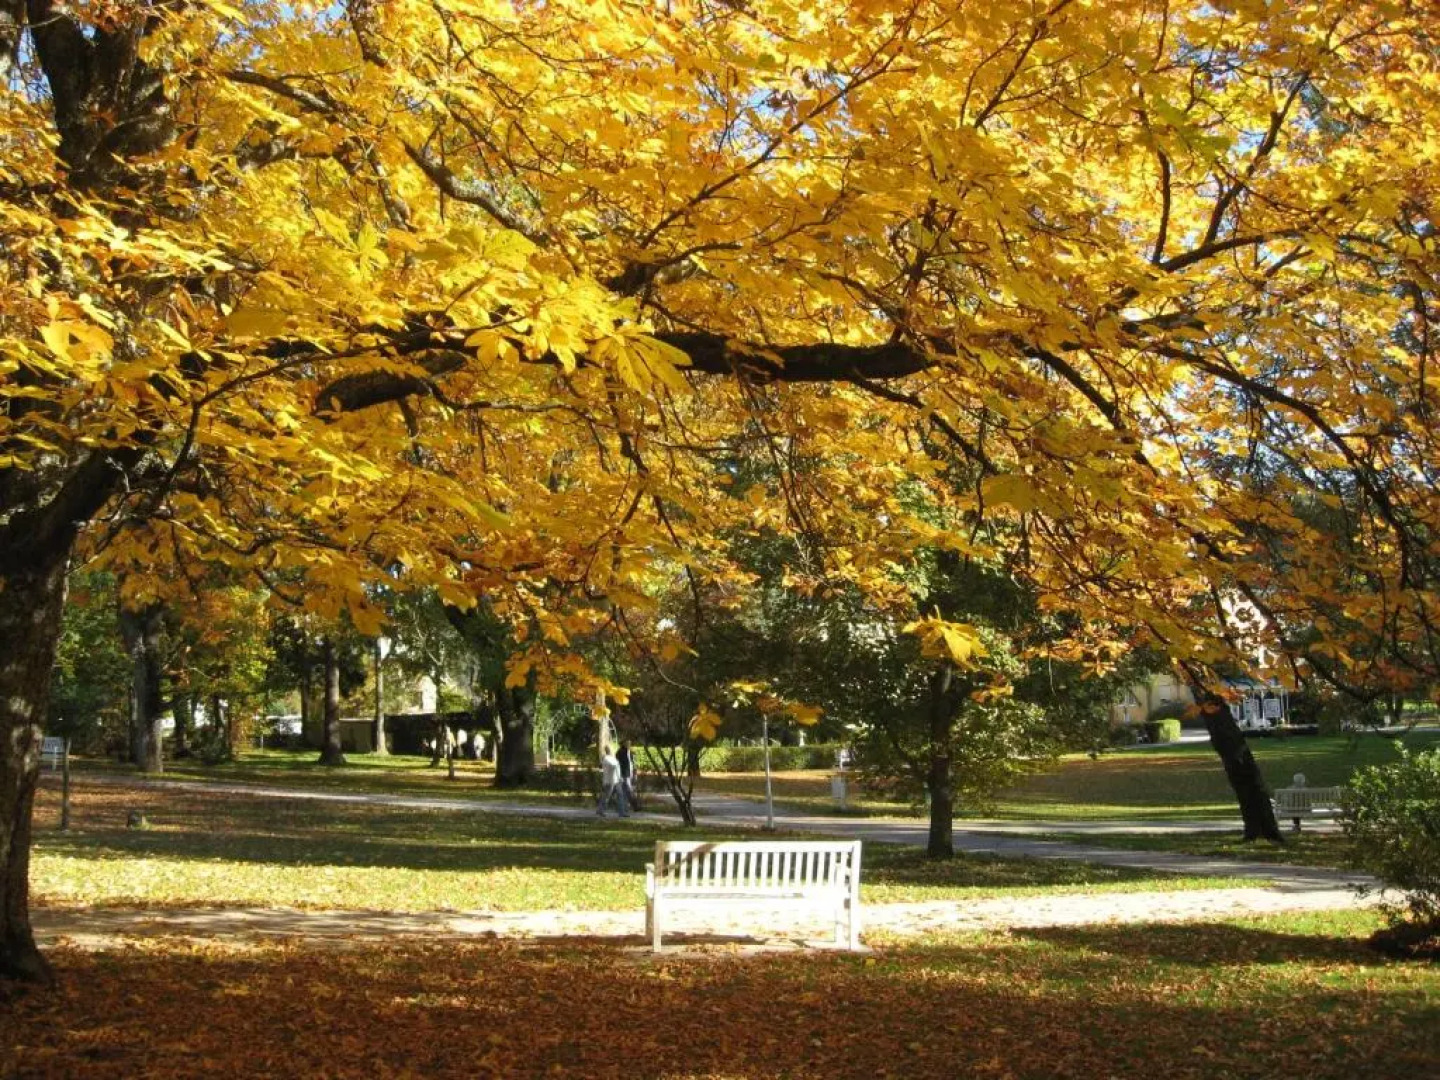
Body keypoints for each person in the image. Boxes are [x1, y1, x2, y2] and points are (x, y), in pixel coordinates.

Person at [596, 744, 627, 817]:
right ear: (608, 750)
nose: (612, 750)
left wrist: (620, 777)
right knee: (607, 796)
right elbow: (613, 766)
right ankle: (600, 810)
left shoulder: (612, 758)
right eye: (611, 749)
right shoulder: (606, 759)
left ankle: (621, 812)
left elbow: (617, 768)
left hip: (616, 780)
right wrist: (617, 764)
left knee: (620, 795)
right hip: (610, 781)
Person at [617, 741, 636, 812]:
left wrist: (634, 773)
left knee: (626, 791)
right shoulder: (620, 752)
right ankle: (632, 806)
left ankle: (626, 807)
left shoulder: (630, 753)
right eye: (628, 744)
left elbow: (632, 763)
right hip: (624, 774)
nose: (629, 745)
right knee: (628, 790)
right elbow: (620, 764)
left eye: (630, 744)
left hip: (630, 773)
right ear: (624, 745)